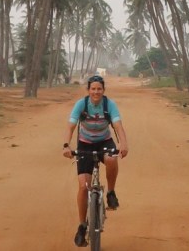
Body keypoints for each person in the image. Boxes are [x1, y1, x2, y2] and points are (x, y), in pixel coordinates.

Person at [62, 74, 128, 247]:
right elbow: (71, 126)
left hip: (105, 142)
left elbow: (118, 126)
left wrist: (123, 143)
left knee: (112, 159)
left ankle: (111, 192)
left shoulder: (109, 105)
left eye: (99, 89)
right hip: (84, 144)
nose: (96, 92)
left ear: (103, 90)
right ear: (88, 90)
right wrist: (66, 145)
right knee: (84, 186)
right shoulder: (81, 105)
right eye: (93, 89)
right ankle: (82, 225)